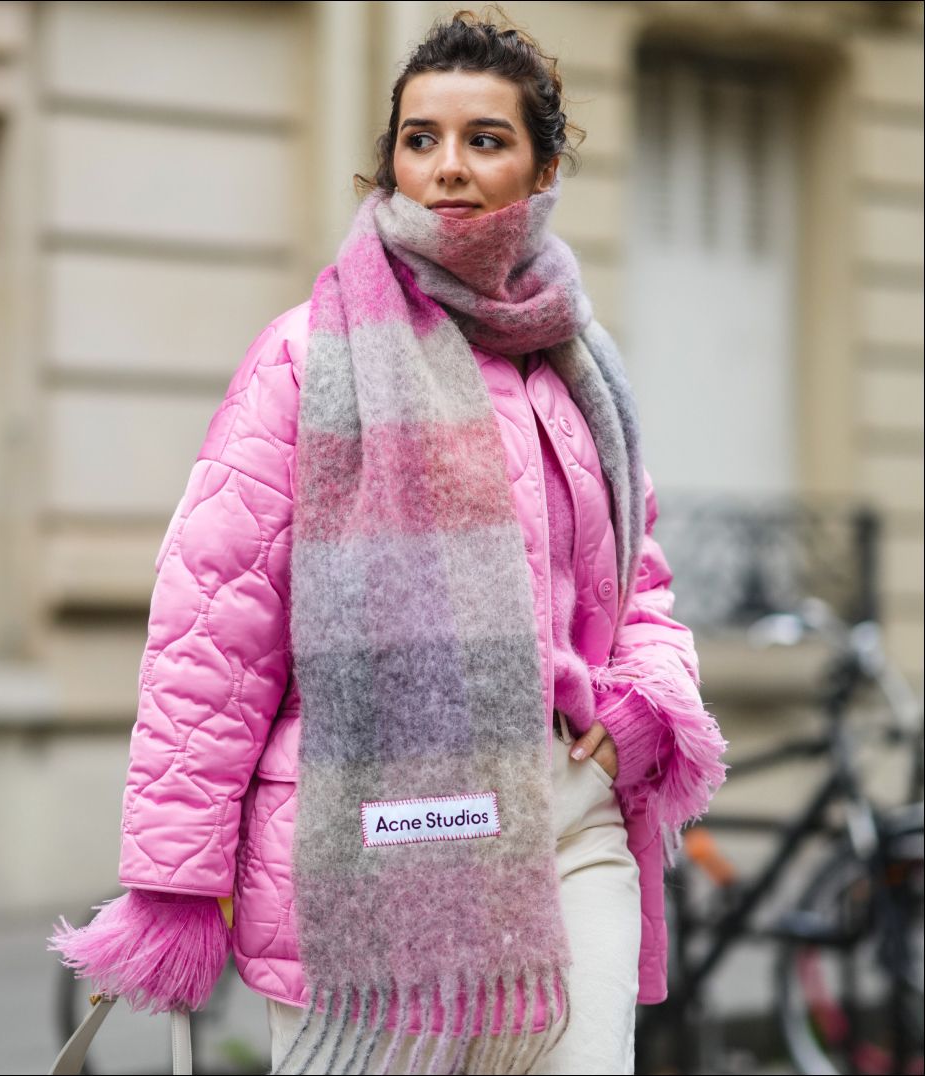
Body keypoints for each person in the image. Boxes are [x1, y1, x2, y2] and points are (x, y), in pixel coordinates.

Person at [49, 9, 729, 1075]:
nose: (448, 165)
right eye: (422, 138)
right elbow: (213, 626)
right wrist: (175, 881)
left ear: (543, 169)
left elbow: (636, 587)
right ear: (391, 162)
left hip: (570, 826)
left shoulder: (577, 366)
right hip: (382, 839)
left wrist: (643, 706)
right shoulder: (307, 356)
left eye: (485, 139)